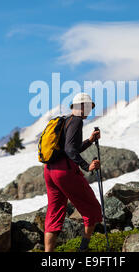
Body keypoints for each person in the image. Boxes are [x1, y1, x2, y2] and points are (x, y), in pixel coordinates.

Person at [43, 92, 102, 252]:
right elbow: (70, 150)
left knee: (54, 213)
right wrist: (85, 165)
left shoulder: (65, 120)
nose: (90, 110)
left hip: (49, 170)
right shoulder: (76, 121)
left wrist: (89, 141)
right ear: (82, 106)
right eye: (89, 106)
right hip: (65, 171)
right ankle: (83, 250)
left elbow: (68, 148)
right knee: (92, 209)